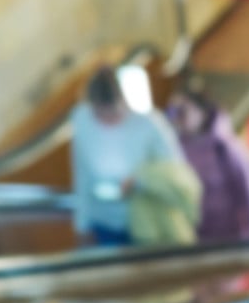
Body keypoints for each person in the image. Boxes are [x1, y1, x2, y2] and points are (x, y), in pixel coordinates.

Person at [70, 65, 186, 246]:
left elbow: (176, 170)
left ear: (123, 101)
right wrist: (81, 225)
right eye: (101, 115)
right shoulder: (82, 120)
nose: (108, 121)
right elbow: (81, 173)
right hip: (103, 221)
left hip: (145, 219)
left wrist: (140, 180)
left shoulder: (149, 123)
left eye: (113, 114)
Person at [168, 88, 249, 242]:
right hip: (195, 234)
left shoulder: (225, 146)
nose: (179, 116)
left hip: (231, 234)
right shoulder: (176, 148)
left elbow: (248, 190)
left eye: (184, 110)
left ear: (202, 110)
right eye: (175, 111)